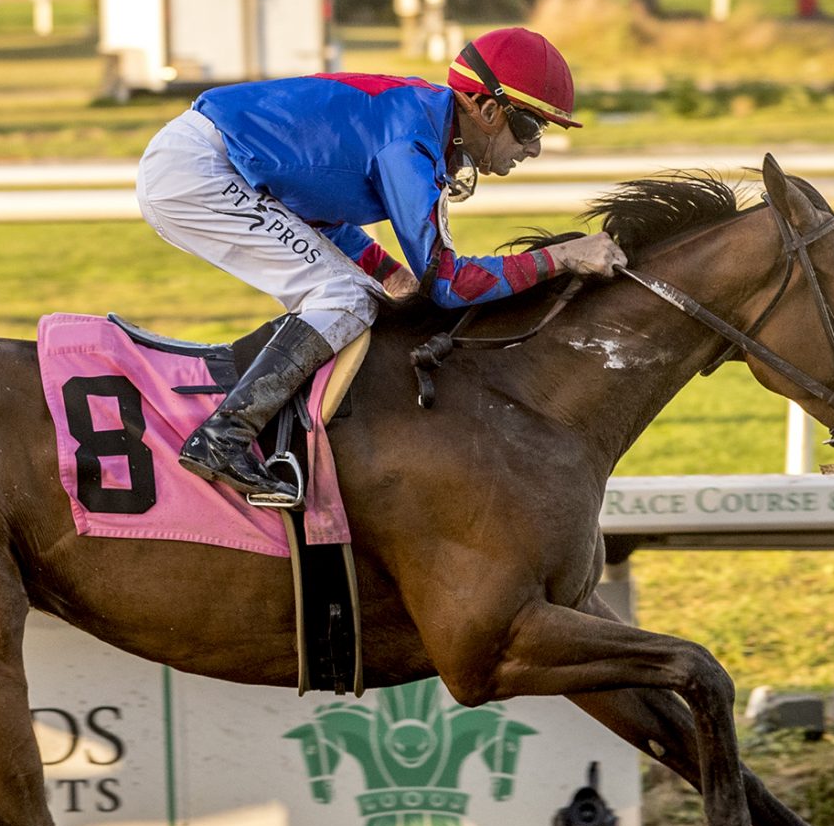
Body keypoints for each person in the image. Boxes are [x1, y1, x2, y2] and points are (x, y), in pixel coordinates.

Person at [135, 25, 627, 502]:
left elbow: (320, 213)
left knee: (362, 295)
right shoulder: (411, 145)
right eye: (531, 126)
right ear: (487, 108)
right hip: (197, 172)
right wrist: (562, 256)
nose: (535, 148)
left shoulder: (425, 122)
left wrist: (391, 275)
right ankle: (226, 436)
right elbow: (450, 285)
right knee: (344, 298)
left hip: (207, 163)